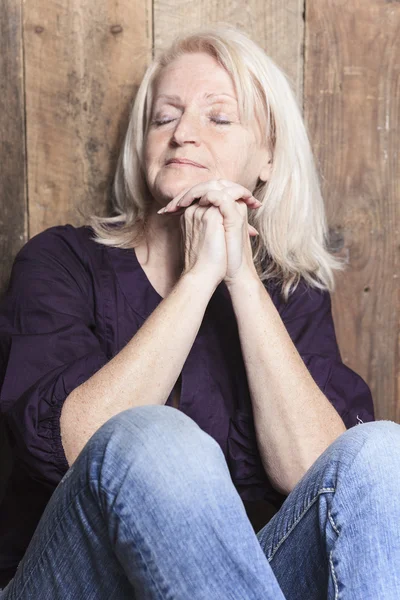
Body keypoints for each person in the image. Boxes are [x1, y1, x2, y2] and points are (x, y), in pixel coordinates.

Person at [0, 23, 398, 599]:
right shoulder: (59, 261)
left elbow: (311, 469)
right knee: (157, 436)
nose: (183, 133)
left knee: (383, 453)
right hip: (73, 579)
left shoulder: (289, 292)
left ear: (267, 156)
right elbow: (79, 444)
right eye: (165, 117)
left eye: (218, 117)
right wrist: (199, 275)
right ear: (142, 144)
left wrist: (240, 277)